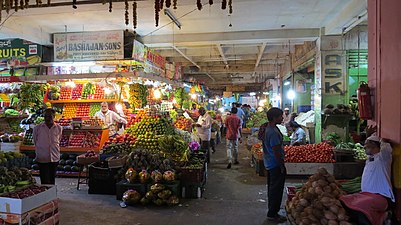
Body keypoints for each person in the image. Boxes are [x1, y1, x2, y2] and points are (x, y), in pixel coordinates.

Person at [340, 135, 394, 225]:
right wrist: (369, 137)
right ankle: (381, 217)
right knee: (345, 200)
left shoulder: (383, 158)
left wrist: (382, 141)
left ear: (374, 145)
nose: (364, 146)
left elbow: (387, 149)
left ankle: (383, 217)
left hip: (382, 197)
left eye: (367, 144)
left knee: (361, 204)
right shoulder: (369, 159)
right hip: (365, 195)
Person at [263, 107, 287, 223]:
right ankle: (273, 214)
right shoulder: (272, 132)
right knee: (276, 190)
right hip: (275, 164)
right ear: (274, 118)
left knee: (273, 189)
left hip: (270, 163)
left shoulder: (270, 128)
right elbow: (276, 150)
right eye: (280, 116)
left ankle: (272, 211)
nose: (282, 118)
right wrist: (281, 164)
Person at [33, 108, 63, 185]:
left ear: (54, 116)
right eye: (45, 116)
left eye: (49, 116)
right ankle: (45, 195)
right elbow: (35, 140)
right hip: (42, 157)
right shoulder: (37, 128)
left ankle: (52, 195)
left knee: (52, 179)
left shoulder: (59, 128)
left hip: (54, 157)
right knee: (44, 180)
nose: (47, 118)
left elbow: (58, 139)